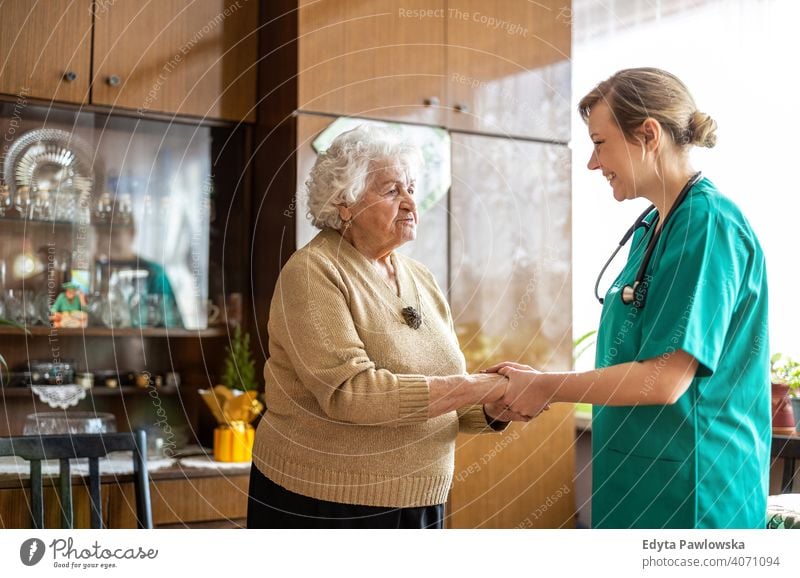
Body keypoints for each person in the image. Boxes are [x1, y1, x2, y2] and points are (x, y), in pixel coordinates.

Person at [488, 68, 770, 529]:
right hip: (638, 481)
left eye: (600, 143)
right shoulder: (651, 227)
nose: (592, 164)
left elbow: (664, 380)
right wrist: (541, 382)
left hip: (694, 493)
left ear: (648, 134)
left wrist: (546, 386)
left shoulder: (708, 224)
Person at [248, 125, 522, 529]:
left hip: (421, 500)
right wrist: (477, 386)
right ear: (344, 202)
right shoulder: (313, 272)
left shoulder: (420, 278)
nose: (412, 202)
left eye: (411, 188)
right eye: (393, 190)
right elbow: (351, 393)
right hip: (326, 501)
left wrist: (493, 407)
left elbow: (448, 392)